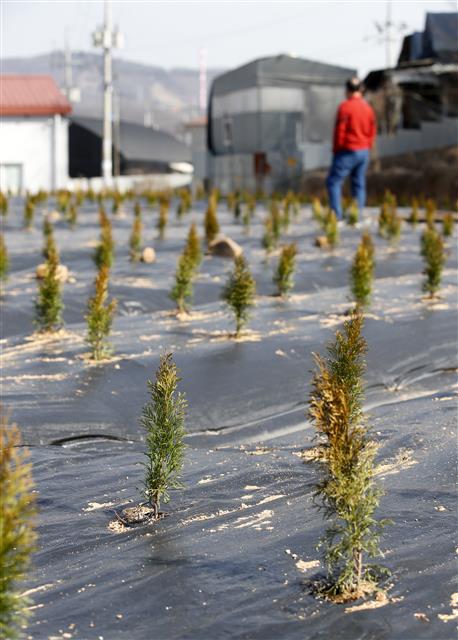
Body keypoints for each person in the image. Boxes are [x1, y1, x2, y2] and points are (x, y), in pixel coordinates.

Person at [326, 77, 376, 221]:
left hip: (347, 150)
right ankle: (356, 215)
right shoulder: (368, 108)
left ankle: (337, 216)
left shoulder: (345, 107)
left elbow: (340, 132)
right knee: (358, 183)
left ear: (347, 90)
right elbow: (372, 131)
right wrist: (367, 146)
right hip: (363, 151)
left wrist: (336, 150)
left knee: (334, 182)